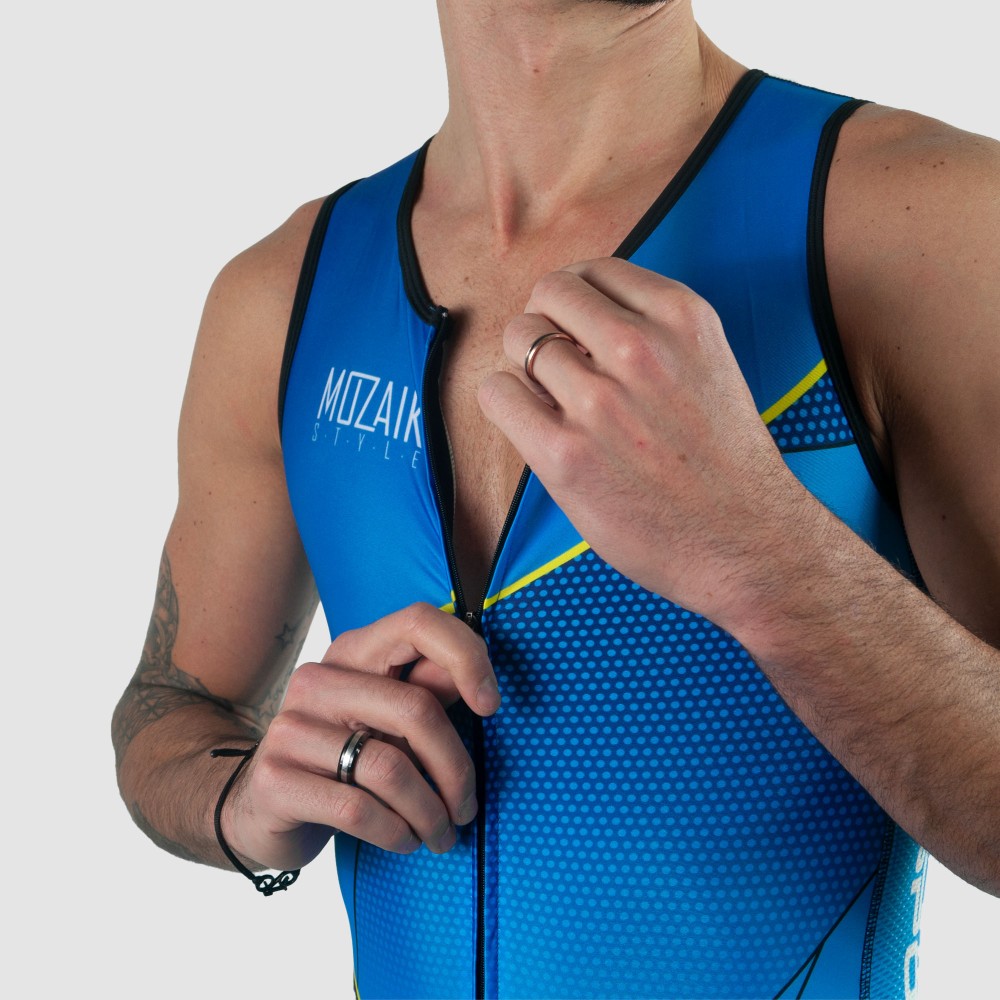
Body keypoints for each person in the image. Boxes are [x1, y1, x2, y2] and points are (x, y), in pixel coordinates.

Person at [111, 1, 1000, 997]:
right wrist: (239, 799)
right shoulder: (284, 294)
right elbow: (172, 705)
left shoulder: (929, 225)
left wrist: (765, 557)